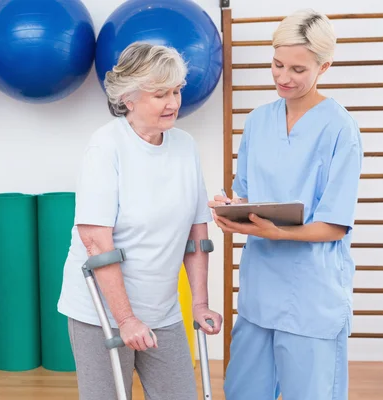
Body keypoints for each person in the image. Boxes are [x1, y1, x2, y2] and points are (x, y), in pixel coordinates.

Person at [209, 9, 363, 400]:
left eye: (297, 69)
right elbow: (244, 194)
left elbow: (334, 224)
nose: (282, 77)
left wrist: (275, 230)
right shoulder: (259, 121)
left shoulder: (339, 128)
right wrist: (231, 207)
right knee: (243, 391)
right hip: (260, 290)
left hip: (311, 295)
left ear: (324, 66)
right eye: (277, 64)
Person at [57, 42, 222, 400]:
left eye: (177, 90)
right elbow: (97, 241)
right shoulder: (106, 147)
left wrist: (199, 303)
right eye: (160, 93)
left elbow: (197, 235)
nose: (174, 102)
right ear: (128, 98)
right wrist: (127, 318)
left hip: (163, 308)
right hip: (102, 310)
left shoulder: (185, 146)